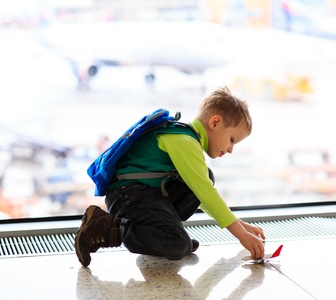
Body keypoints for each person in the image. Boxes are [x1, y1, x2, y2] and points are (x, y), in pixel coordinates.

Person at [75, 87, 266, 267]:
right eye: (232, 139)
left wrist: (242, 226)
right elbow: (206, 194)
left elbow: (202, 193)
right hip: (127, 195)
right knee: (179, 244)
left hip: (141, 193)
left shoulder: (182, 134)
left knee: (204, 177)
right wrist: (242, 235)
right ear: (215, 122)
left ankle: (165, 235)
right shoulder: (185, 141)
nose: (231, 149)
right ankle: (105, 226)